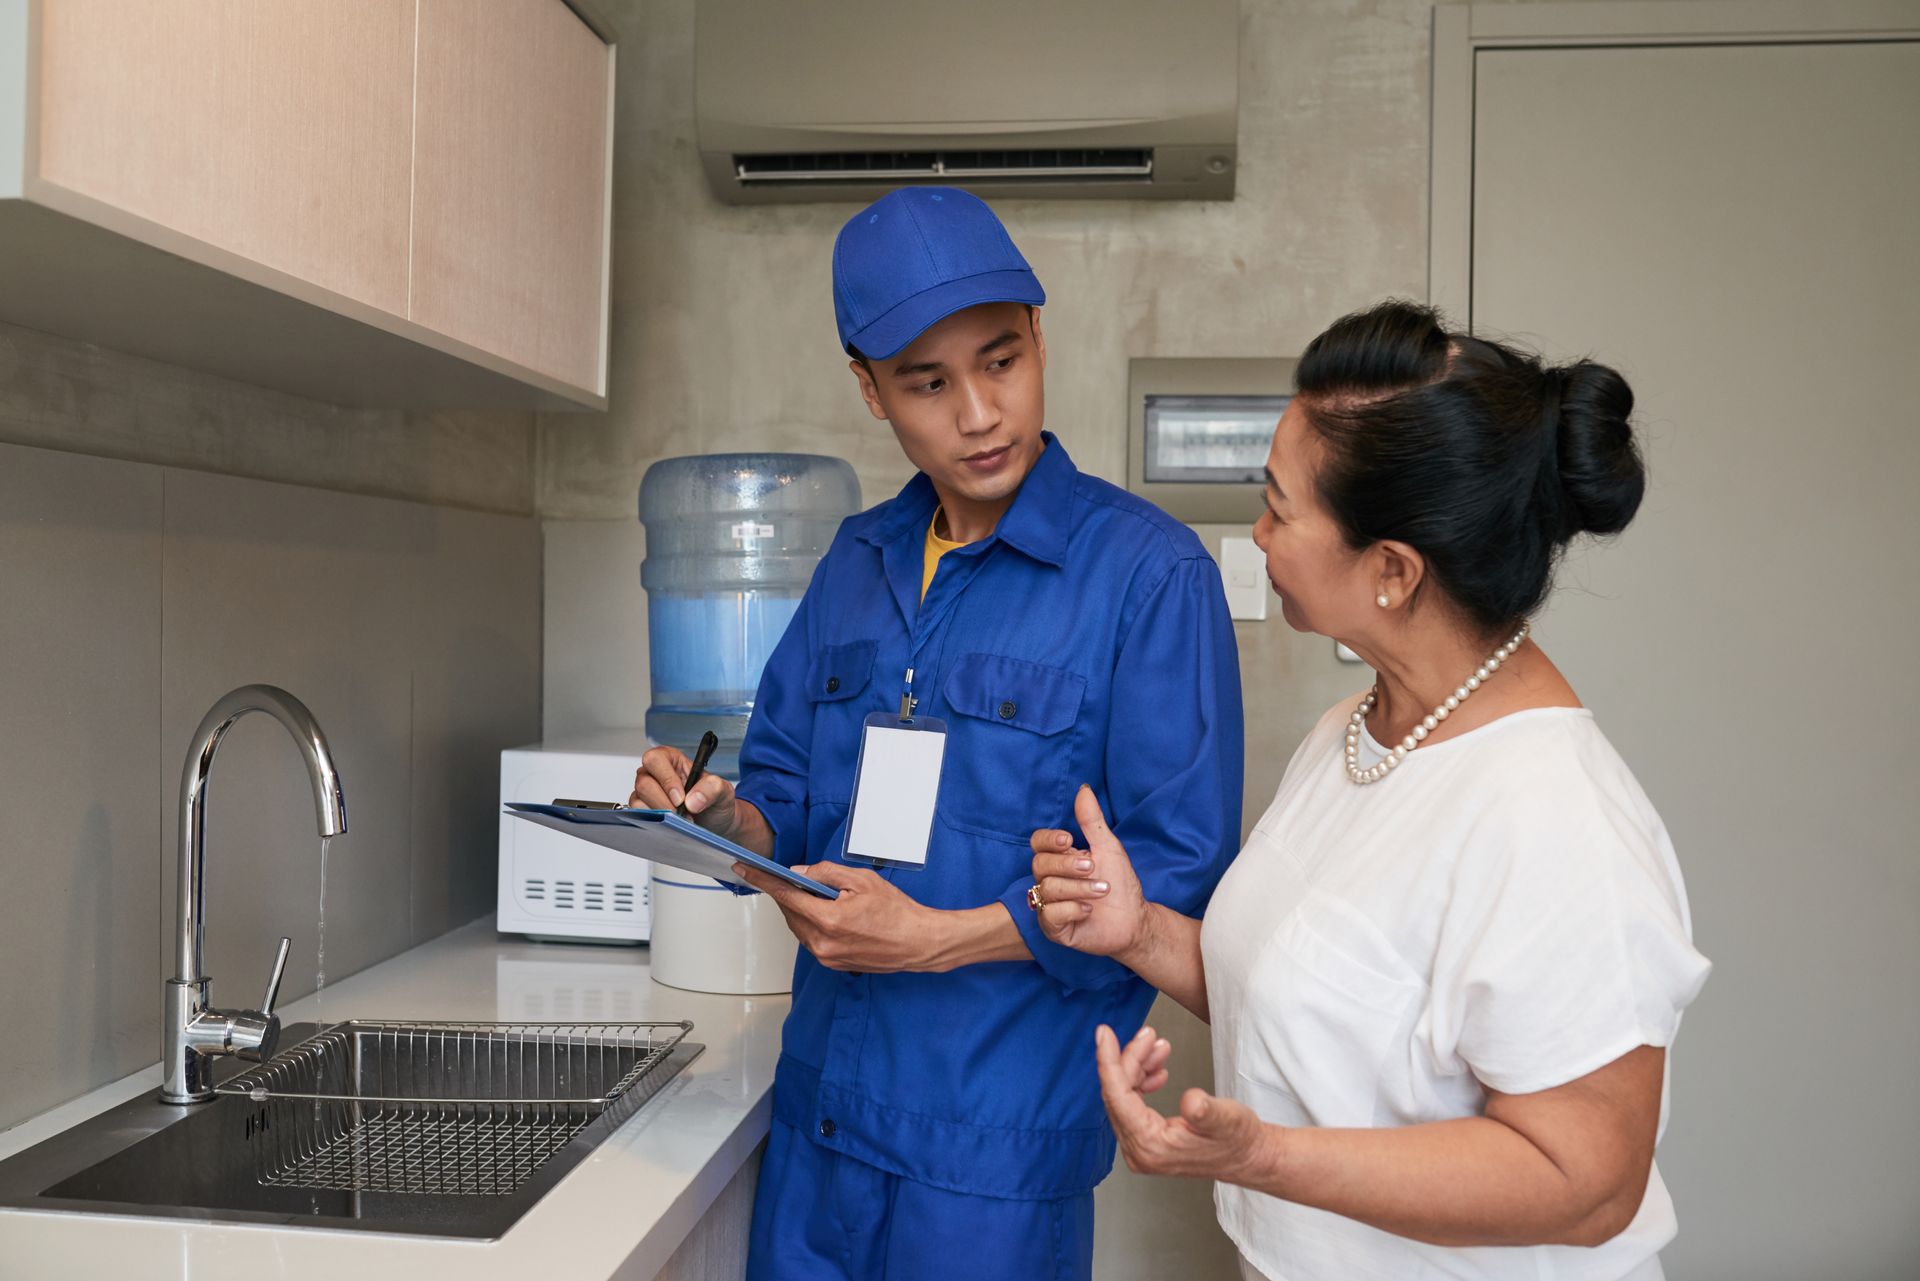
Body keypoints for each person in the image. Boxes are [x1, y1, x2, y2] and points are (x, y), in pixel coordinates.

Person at [628, 186, 1244, 1281]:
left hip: (993, 1157)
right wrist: (721, 819)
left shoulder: (1149, 576)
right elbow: (779, 789)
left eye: (1001, 361)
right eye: (928, 382)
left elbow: (1172, 878)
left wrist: (940, 938)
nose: (979, 414)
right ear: (870, 391)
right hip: (818, 1125)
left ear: (1040, 338)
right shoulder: (857, 562)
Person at [1026, 300, 1712, 1280]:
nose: (1258, 534)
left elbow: (1591, 1182)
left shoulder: (1557, 820)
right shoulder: (1354, 735)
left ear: (1391, 571)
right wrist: (1136, 931)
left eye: (1279, 506)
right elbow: (1330, 1014)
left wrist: (1261, 1154)